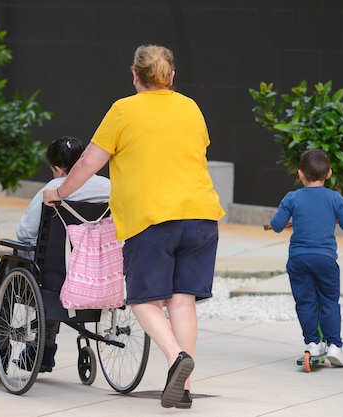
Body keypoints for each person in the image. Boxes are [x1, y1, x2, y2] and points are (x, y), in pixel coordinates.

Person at [43, 45, 225, 408]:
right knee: (182, 301)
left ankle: (176, 358)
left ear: (134, 77)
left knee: (142, 300)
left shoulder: (123, 110)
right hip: (202, 217)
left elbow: (86, 165)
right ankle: (184, 388)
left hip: (152, 219)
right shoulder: (191, 107)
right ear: (171, 77)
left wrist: (59, 193)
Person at [0, 136, 110, 372]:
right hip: (95, 270)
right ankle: (41, 351)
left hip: (56, 273)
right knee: (53, 270)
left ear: (56, 168)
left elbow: (24, 233)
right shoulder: (107, 187)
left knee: (3, 270)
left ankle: (0, 348)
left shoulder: (52, 190)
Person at [268, 148, 343, 367]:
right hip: (325, 259)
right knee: (328, 301)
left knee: (305, 302)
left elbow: (277, 225)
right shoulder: (335, 198)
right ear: (329, 174)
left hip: (299, 259)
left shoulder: (292, 198)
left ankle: (313, 344)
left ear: (300, 174)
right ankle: (335, 346)